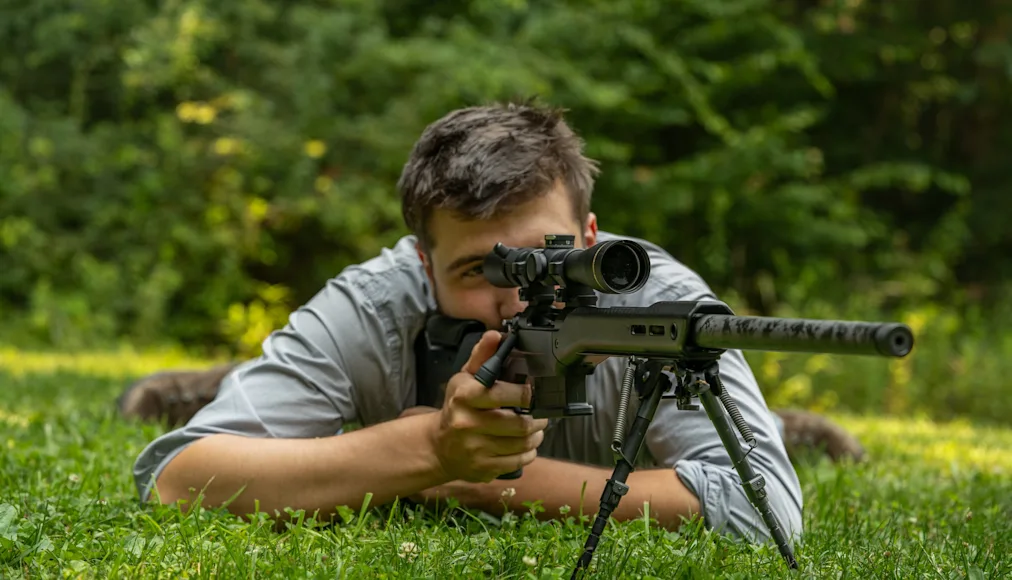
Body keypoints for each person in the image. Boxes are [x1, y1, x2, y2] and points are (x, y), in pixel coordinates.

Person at [124, 100, 864, 545]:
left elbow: (768, 509)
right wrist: (431, 449)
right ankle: (198, 382)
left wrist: (504, 485)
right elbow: (178, 476)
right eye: (482, 272)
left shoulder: (659, 300)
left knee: (746, 423)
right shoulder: (377, 301)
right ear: (422, 263)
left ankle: (790, 420)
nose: (519, 301)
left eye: (550, 260)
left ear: (592, 239)